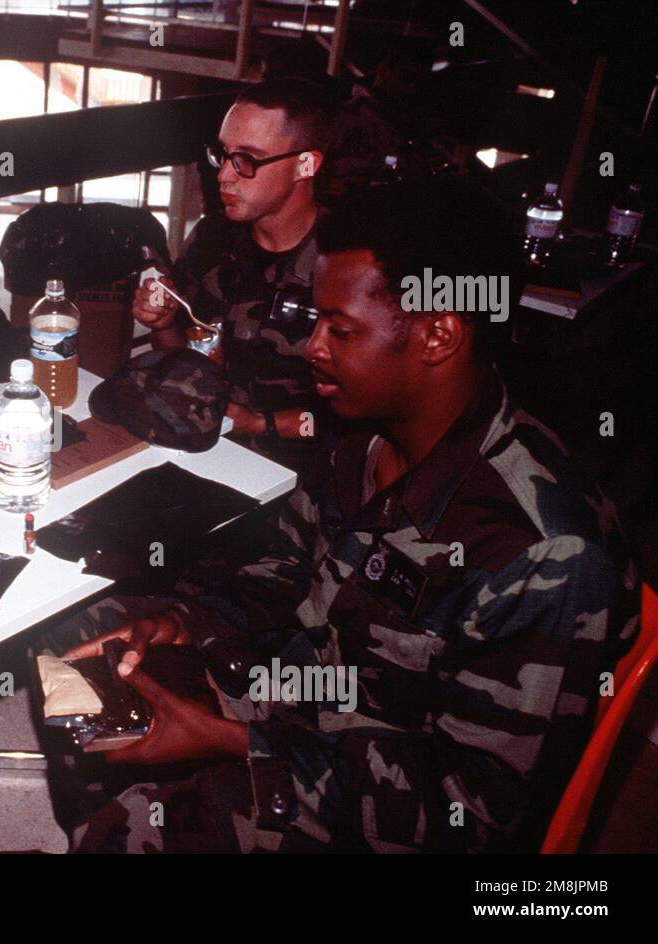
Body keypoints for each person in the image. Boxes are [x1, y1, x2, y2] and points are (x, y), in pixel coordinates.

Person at [44, 180, 639, 853]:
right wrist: (183, 625)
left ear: (439, 333)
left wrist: (236, 743)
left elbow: (473, 813)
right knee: (82, 652)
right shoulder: (365, 437)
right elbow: (284, 569)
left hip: (393, 793)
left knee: (138, 831)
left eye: (340, 329)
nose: (312, 348)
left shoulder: (541, 552)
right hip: (306, 692)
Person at [132, 78, 335, 476]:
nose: (224, 174)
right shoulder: (213, 239)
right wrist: (164, 320)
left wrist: (262, 423)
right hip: (207, 451)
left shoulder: (347, 266)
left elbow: (372, 419)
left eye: (248, 159)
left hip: (304, 478)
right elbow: (185, 365)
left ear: (305, 165)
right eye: (223, 154)